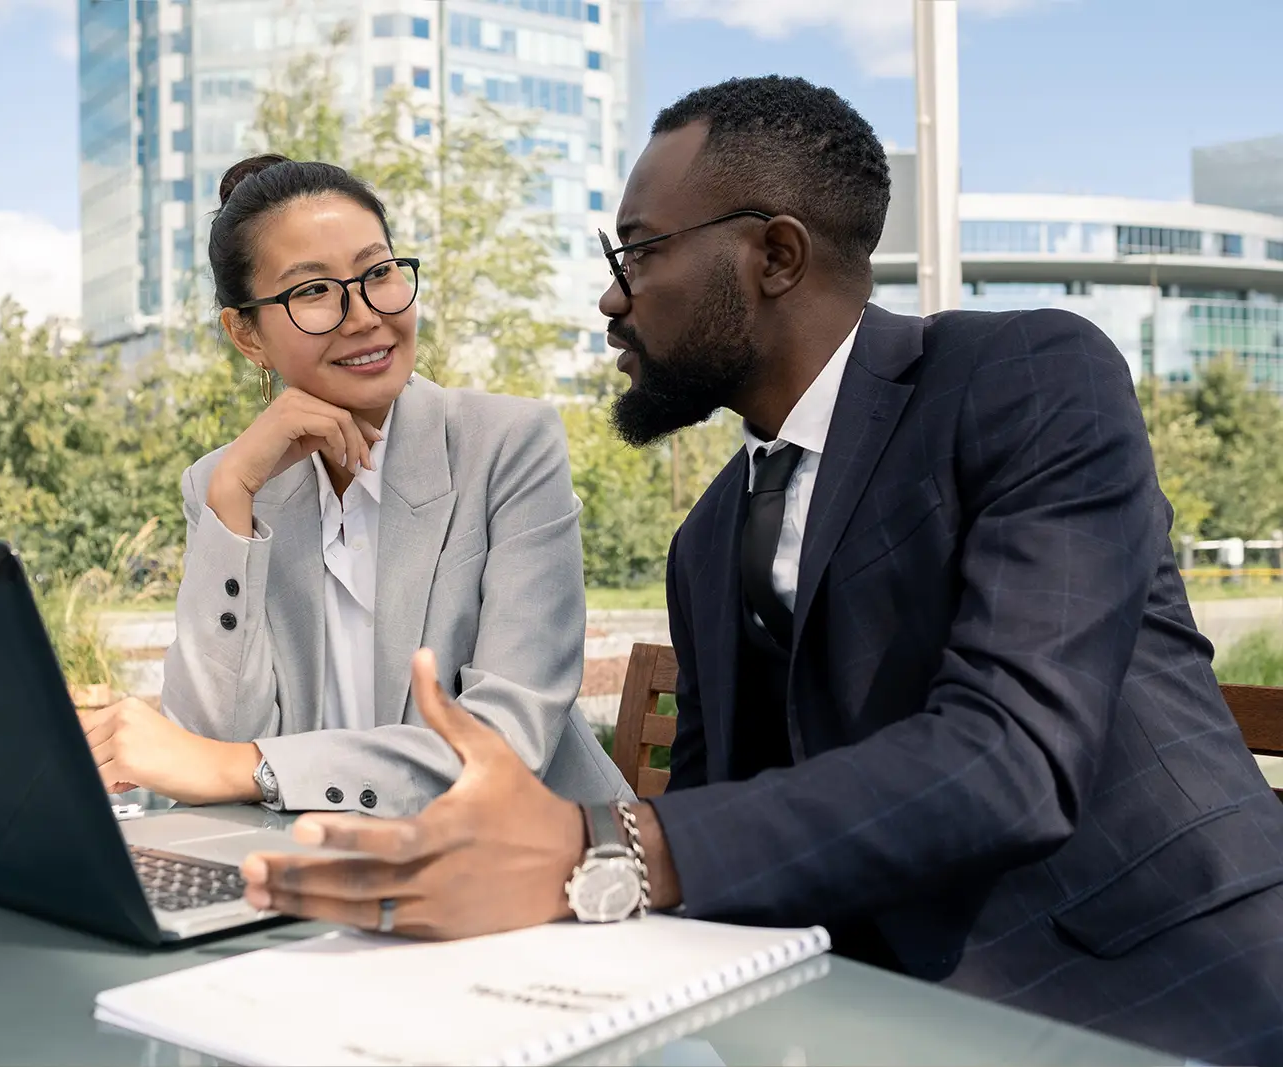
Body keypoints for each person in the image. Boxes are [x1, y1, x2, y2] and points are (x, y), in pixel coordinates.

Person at [236, 78, 1283, 1062]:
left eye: (637, 252)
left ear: (774, 255)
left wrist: (597, 846)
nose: (610, 298)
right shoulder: (705, 540)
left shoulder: (1027, 378)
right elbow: (719, 826)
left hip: (1163, 986)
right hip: (852, 1009)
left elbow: (1010, 756)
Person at [84, 154, 630, 817]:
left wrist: (244, 765)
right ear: (246, 334)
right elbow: (205, 748)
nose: (364, 314)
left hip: (534, 872)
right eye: (312, 291)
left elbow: (501, 747)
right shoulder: (220, 484)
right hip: (313, 871)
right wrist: (232, 497)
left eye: (379, 273)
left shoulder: (511, 444)